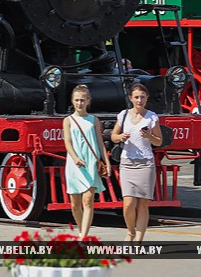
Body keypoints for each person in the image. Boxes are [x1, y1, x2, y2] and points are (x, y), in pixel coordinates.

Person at [111, 83, 162, 243]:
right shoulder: (123, 115)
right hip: (127, 162)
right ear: (131, 98)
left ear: (147, 98)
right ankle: (130, 231)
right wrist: (120, 138)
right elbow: (113, 135)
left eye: (142, 97)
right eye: (136, 97)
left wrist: (149, 137)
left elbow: (159, 142)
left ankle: (138, 239)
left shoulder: (152, 117)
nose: (139, 100)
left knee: (143, 203)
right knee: (128, 203)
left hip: (146, 163)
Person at [63, 84, 110, 240]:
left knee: (88, 200)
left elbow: (99, 142)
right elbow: (67, 142)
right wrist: (75, 157)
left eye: (82, 100)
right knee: (75, 204)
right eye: (76, 100)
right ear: (72, 101)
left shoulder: (93, 120)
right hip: (74, 163)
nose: (79, 103)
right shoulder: (68, 120)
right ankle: (81, 229)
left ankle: (84, 236)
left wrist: (107, 162)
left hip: (90, 161)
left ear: (88, 101)